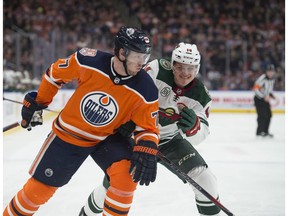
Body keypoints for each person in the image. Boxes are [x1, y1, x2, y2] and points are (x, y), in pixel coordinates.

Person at [3, 26, 160, 216]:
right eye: (137, 56)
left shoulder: (147, 88)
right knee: (37, 193)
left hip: (108, 137)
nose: (142, 63)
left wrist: (148, 148)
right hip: (69, 135)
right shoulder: (88, 61)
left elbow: (147, 128)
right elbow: (54, 74)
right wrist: (39, 101)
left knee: (126, 177)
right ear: (121, 52)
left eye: (145, 57)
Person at [79, 42, 221, 216]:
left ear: (197, 69)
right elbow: (130, 90)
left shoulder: (201, 95)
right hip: (138, 137)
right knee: (115, 185)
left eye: (190, 68)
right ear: (172, 64)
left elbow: (202, 133)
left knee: (206, 180)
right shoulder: (156, 70)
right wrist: (128, 118)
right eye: (180, 67)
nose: (185, 73)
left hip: (169, 141)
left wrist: (194, 128)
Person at [253, 64, 276, 137]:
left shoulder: (272, 79)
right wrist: (263, 97)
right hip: (259, 99)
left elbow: (268, 90)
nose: (270, 73)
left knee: (269, 115)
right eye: (269, 71)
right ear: (266, 72)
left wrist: (272, 96)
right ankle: (259, 132)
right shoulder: (262, 78)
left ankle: (265, 131)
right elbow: (256, 89)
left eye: (271, 71)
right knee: (262, 115)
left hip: (265, 99)